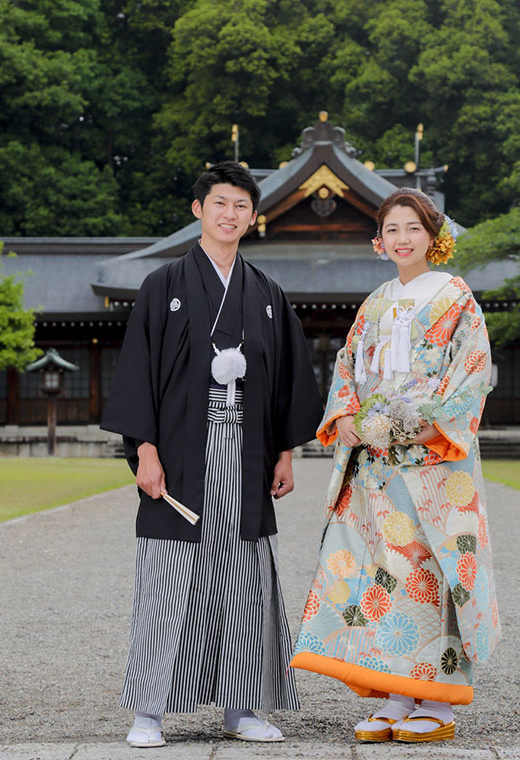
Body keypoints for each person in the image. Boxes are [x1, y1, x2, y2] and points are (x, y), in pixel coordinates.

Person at [102, 161, 323, 747]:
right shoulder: (163, 286)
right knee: (169, 580)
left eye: (241, 206)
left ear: (254, 217)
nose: (230, 214)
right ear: (198, 210)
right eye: (220, 203)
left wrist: (285, 452)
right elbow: (139, 375)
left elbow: (285, 382)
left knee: (244, 581)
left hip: (247, 454)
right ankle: (149, 711)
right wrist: (143, 450)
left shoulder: (268, 294)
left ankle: (243, 708)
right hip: (178, 452)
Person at [290, 188, 500, 743]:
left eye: (413, 228)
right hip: (376, 466)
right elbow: (347, 368)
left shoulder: (457, 299)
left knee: (429, 570)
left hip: (432, 464)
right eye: (392, 229)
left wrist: (417, 426)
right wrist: (349, 418)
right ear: (378, 242)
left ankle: (439, 700)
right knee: (379, 571)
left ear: (434, 238)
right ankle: (396, 692)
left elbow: (471, 373)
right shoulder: (375, 301)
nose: (402, 238)